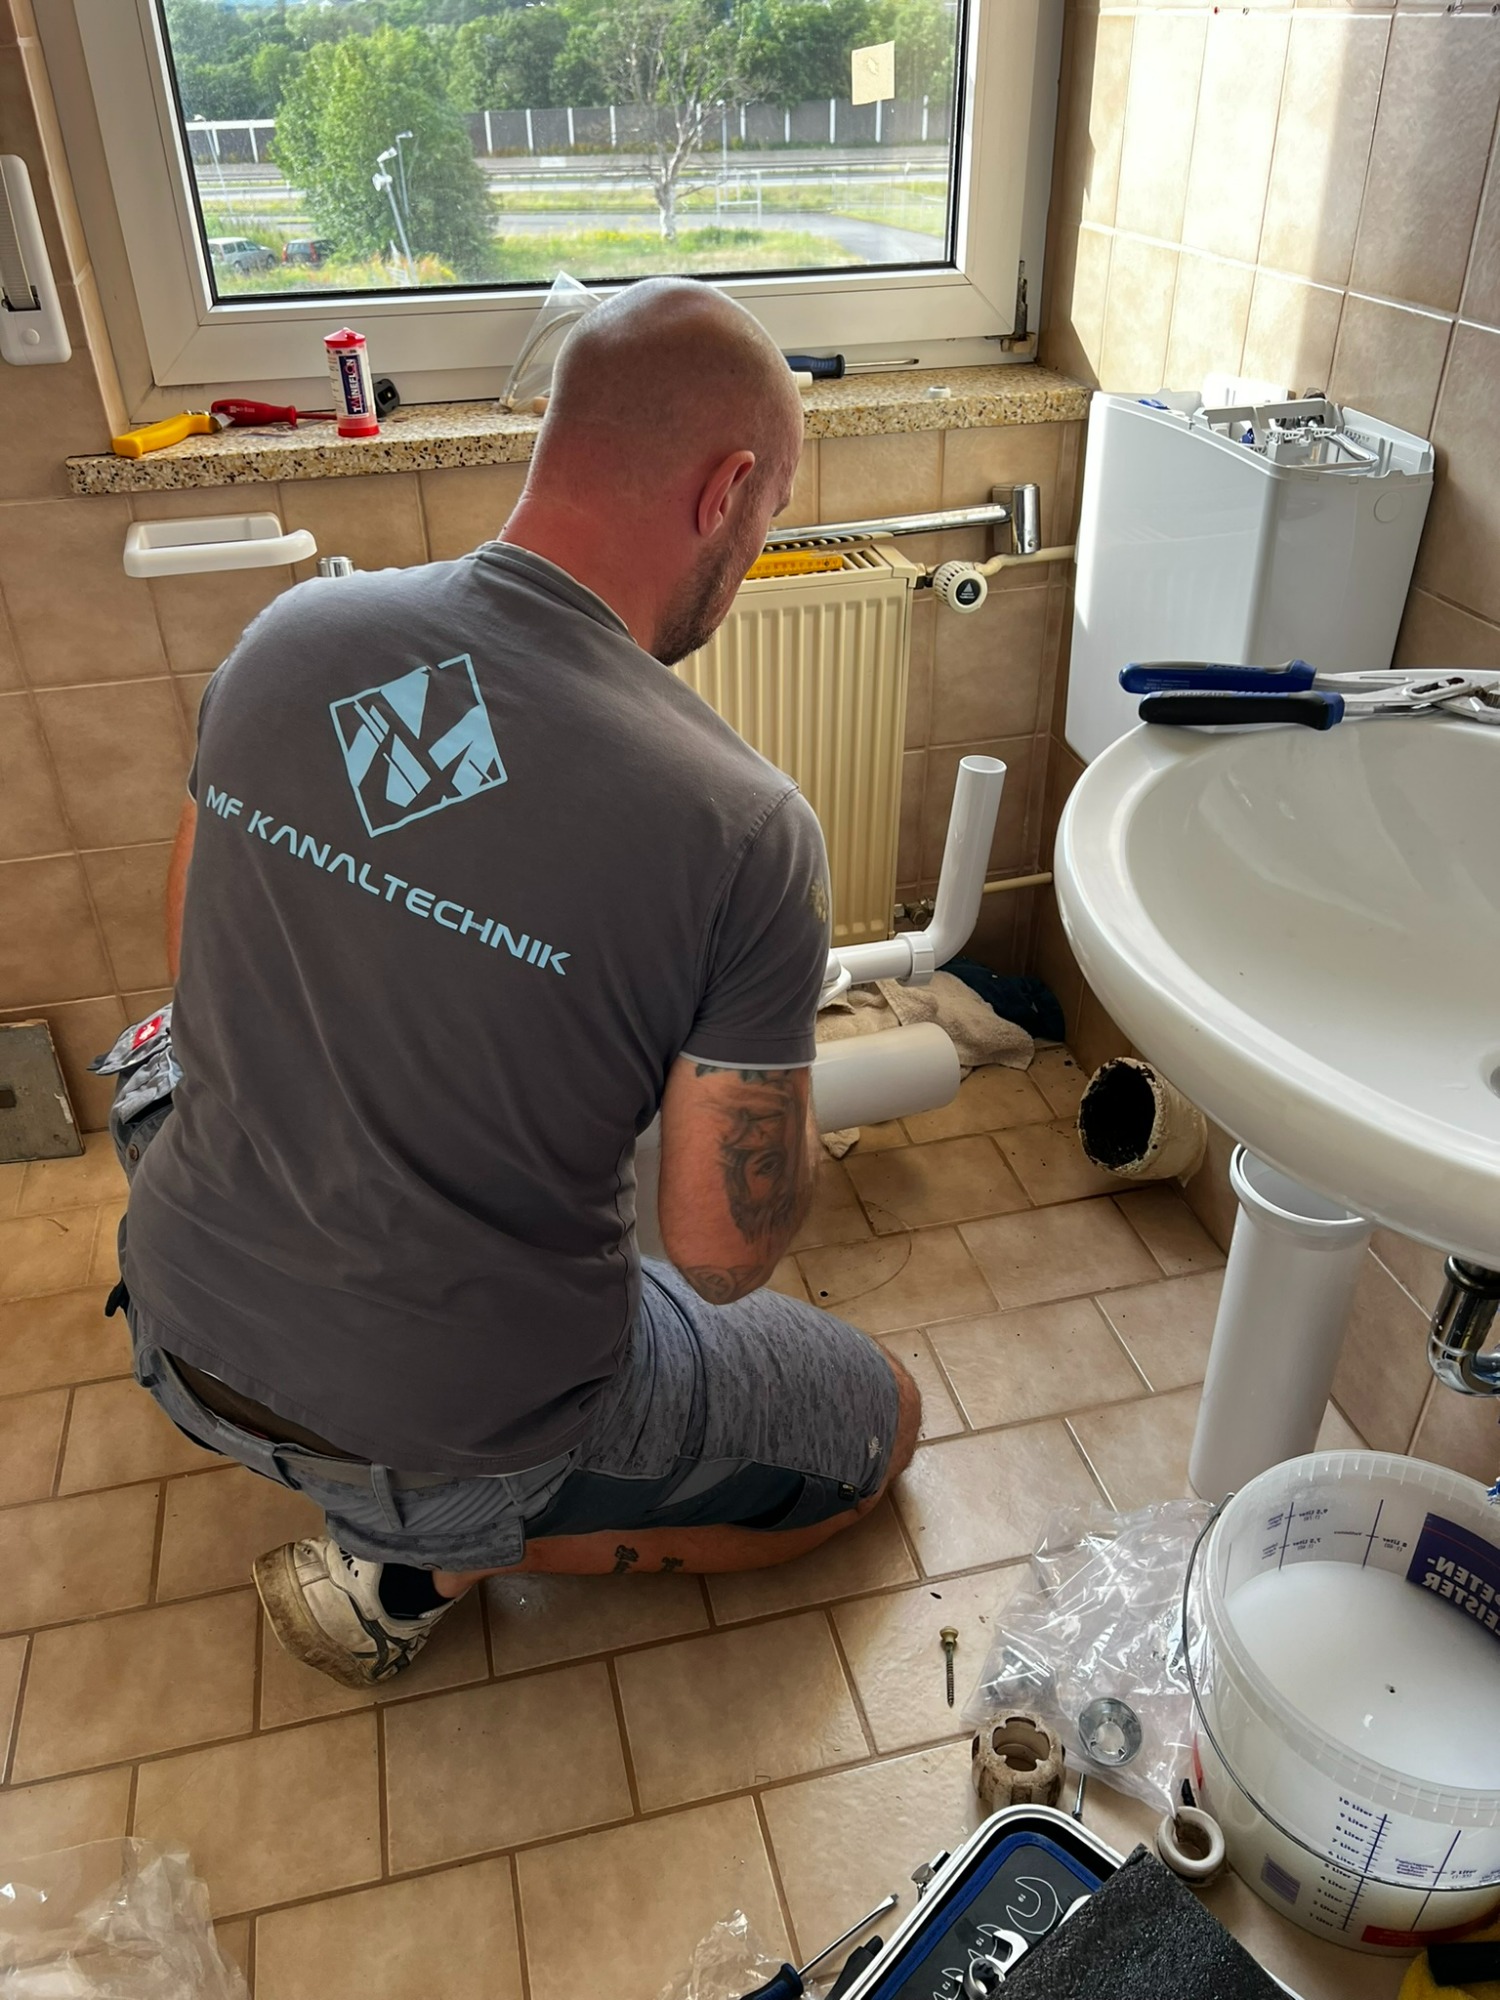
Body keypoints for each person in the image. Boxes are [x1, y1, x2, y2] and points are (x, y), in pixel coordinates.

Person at [114, 277, 919, 1692]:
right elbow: (721, 1256)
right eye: (769, 517)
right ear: (726, 489)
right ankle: (428, 1551)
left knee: (159, 1050)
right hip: (439, 1414)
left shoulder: (293, 638)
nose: (752, 554)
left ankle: (406, 1494)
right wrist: (755, 1064)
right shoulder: (742, 828)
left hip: (179, 1314)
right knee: (879, 1430)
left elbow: (197, 967)